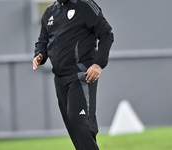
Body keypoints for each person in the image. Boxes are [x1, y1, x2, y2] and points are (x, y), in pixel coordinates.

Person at [32, 0, 114, 149]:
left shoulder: (85, 6)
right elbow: (43, 41)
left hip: (81, 74)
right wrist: (40, 55)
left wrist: (98, 64)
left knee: (79, 119)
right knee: (73, 126)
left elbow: (106, 34)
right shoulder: (50, 12)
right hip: (60, 79)